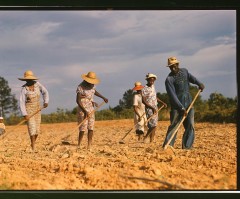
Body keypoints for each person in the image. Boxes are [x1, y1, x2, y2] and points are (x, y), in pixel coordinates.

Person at [162, 57, 205, 149]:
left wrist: (199, 83)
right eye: (171, 67)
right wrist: (181, 108)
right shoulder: (169, 79)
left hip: (189, 102)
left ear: (177, 65)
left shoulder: (184, 71)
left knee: (190, 125)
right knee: (174, 126)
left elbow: (192, 78)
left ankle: (187, 146)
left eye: (174, 66)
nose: (173, 68)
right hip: (176, 107)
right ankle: (168, 146)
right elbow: (172, 96)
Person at [76, 71, 108, 151]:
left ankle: (89, 145)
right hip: (82, 108)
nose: (92, 83)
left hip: (91, 108)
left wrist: (103, 97)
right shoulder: (80, 87)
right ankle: (79, 145)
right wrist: (85, 111)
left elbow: (94, 92)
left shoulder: (92, 86)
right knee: (83, 127)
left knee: (91, 126)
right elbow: (78, 100)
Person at [19, 70, 49, 150]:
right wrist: (24, 114)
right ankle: (33, 147)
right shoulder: (24, 89)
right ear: (25, 80)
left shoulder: (38, 85)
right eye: (27, 80)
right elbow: (21, 102)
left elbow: (45, 92)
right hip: (28, 110)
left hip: (38, 109)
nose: (29, 81)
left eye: (30, 79)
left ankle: (32, 144)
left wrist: (46, 101)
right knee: (32, 128)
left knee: (37, 130)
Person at [141, 73, 167, 143]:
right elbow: (143, 101)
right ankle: (146, 137)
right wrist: (151, 108)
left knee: (155, 125)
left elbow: (155, 97)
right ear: (147, 80)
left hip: (155, 106)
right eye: (150, 80)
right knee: (152, 125)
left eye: (153, 80)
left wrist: (162, 102)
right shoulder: (144, 89)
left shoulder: (153, 87)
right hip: (149, 108)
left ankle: (151, 140)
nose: (151, 81)